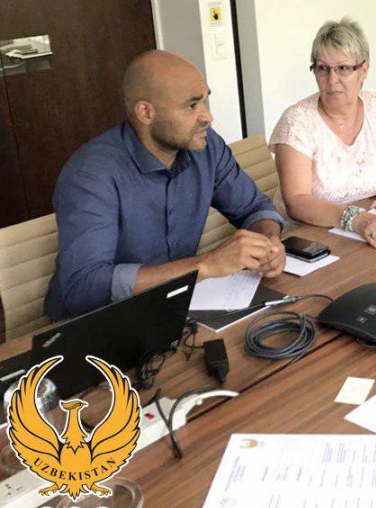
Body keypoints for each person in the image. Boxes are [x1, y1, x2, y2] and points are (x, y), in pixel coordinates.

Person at [46, 50, 286, 321]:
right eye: (192, 106)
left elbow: (254, 207)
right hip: (99, 323)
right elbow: (83, 286)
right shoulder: (91, 174)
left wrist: (270, 243)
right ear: (146, 113)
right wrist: (205, 265)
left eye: (206, 100)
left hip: (176, 306)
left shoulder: (206, 146)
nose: (207, 116)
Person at [269, 17, 376, 250]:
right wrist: (355, 219)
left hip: (369, 230)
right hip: (310, 239)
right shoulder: (297, 122)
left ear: (364, 69)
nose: (332, 80)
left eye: (343, 68)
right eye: (323, 68)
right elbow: (296, 201)